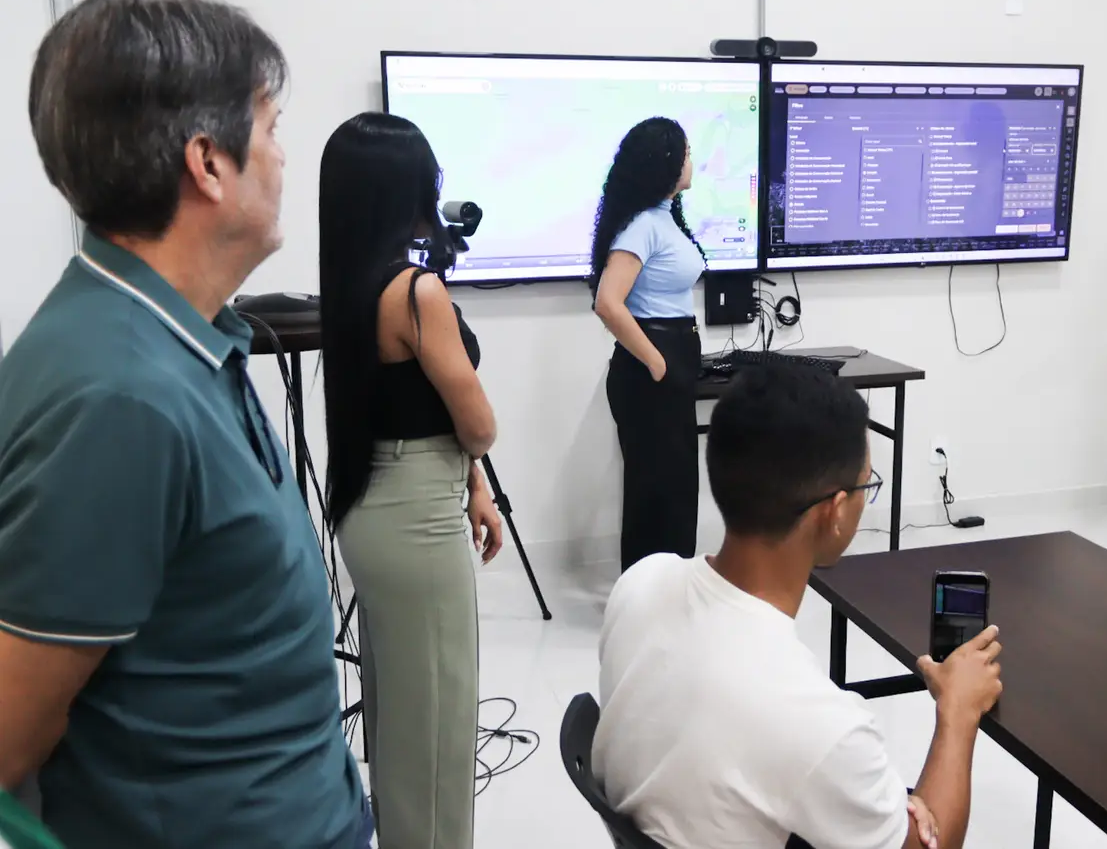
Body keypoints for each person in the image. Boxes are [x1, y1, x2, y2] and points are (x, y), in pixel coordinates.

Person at [0, 0, 368, 847]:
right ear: (208, 162)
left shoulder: (180, 337)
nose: (282, 156)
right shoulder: (119, 397)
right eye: (270, 128)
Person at [593, 364, 1004, 849]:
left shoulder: (640, 583)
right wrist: (958, 710)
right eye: (866, 486)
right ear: (834, 512)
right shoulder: (818, 723)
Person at [319, 112, 503, 849]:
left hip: (378, 504)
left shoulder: (350, 284)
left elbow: (413, 409)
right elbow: (478, 424)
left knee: (400, 716)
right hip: (417, 520)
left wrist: (474, 484)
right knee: (437, 730)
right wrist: (474, 461)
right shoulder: (415, 292)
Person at [591, 117, 706, 572]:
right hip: (649, 371)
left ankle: (667, 590)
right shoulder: (643, 226)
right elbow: (608, 302)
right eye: (687, 153)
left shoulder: (664, 218)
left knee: (674, 490)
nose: (692, 162)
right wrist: (658, 364)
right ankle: (647, 595)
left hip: (669, 361)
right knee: (656, 494)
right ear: (666, 163)